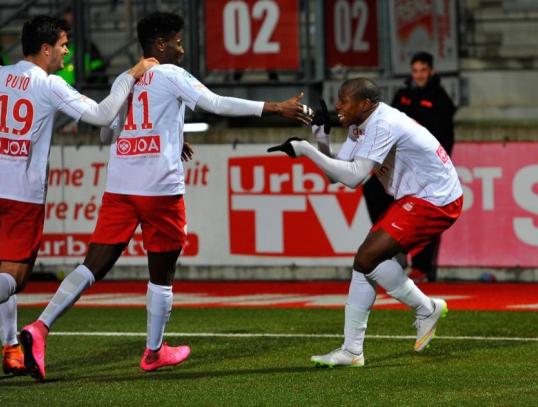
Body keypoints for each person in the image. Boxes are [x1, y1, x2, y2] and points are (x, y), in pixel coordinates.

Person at [20, 11, 312, 381]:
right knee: (162, 275)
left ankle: (40, 327)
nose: (182, 48)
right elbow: (216, 104)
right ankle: (154, 351)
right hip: (160, 190)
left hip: (121, 188)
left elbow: (106, 136)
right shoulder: (171, 74)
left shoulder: (129, 77)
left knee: (91, 267)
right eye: (176, 41)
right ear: (160, 45)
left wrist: (170, 135)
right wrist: (275, 107)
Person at [0, 16, 157, 376]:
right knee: (15, 277)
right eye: (62, 45)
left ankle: (11, 348)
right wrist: (130, 74)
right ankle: (10, 347)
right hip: (21, 195)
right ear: (45, 49)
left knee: (2, 270)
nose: (66, 52)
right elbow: (103, 115)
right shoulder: (49, 84)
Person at [267, 78, 462, 367]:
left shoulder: (382, 124)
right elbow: (338, 175)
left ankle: (425, 309)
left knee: (366, 258)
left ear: (366, 104)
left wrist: (307, 151)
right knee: (364, 263)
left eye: (344, 100)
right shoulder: (361, 124)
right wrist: (320, 136)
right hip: (416, 195)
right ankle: (353, 350)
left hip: (436, 198)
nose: (337, 106)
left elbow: (355, 177)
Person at [363, 51, 457, 282]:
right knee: (372, 190)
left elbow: (445, 138)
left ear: (431, 71)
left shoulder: (441, 100)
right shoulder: (403, 96)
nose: (419, 75)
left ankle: (422, 268)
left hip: (425, 168)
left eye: (423, 71)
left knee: (426, 211)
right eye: (415, 71)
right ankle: (392, 246)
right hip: (399, 165)